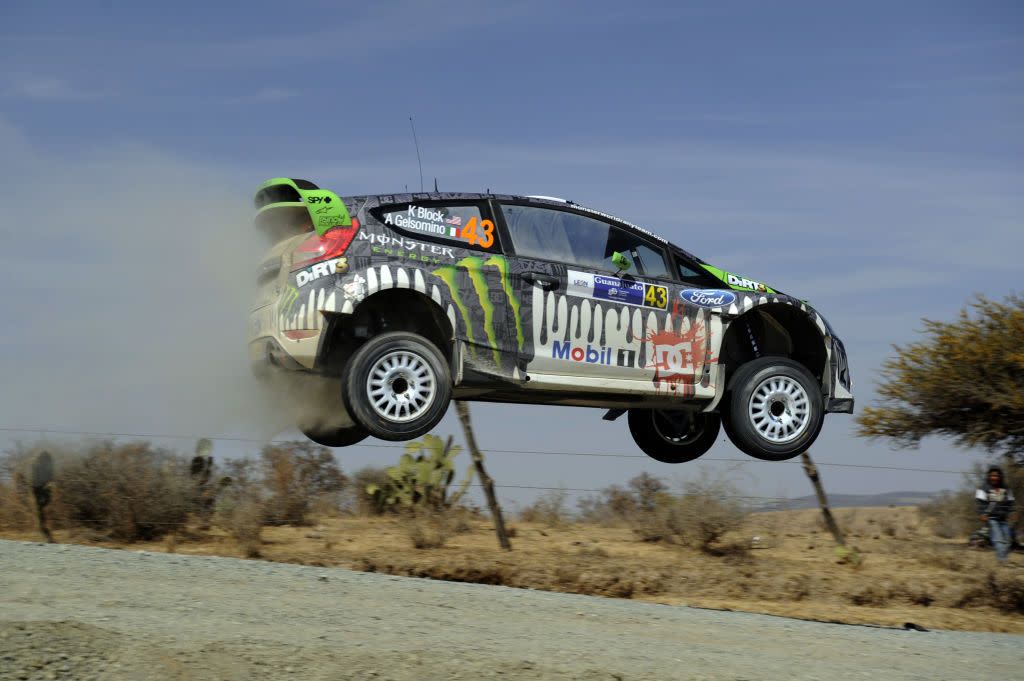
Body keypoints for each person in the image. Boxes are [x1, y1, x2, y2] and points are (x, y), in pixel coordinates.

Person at [975, 466, 1016, 563]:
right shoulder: (983, 489)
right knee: (998, 539)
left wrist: (1012, 512)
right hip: (991, 518)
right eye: (992, 475)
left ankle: (1002, 558)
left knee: (1008, 540)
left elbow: (1010, 502)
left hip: (1003, 518)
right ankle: (1002, 560)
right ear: (989, 476)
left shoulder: (1006, 488)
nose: (995, 477)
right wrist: (982, 514)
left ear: (1000, 476)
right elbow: (980, 503)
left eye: (997, 476)